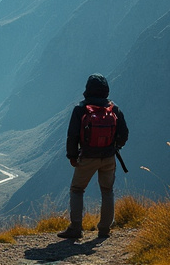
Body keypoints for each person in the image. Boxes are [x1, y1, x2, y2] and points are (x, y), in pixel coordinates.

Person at [57, 73, 129, 239]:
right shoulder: (114, 109)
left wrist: (72, 156)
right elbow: (124, 133)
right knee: (107, 191)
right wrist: (115, 147)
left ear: (88, 89)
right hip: (109, 157)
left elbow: (73, 135)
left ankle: (76, 229)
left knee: (77, 189)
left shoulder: (80, 109)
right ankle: (104, 230)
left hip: (88, 157)